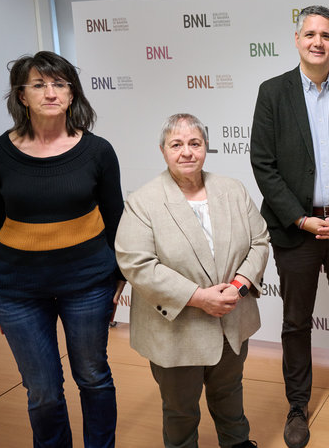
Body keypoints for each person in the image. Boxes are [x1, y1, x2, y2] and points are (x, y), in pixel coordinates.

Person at [0, 51, 124, 448]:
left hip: (88, 285)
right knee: (42, 391)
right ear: (21, 96)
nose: (50, 92)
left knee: (93, 378)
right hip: (17, 291)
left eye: (59, 83)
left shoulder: (98, 151)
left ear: (72, 94)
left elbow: (115, 219)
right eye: (39, 84)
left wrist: (120, 276)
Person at [250, 5, 329, 448]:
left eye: (326, 35)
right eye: (310, 34)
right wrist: (301, 219)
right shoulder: (272, 93)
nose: (317, 42)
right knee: (295, 322)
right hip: (296, 231)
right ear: (297, 39)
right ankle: (297, 406)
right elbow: (263, 165)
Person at [115, 113, 268, 448]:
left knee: (230, 396)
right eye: (177, 144)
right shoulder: (143, 201)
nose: (187, 152)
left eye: (194, 143)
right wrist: (200, 297)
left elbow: (259, 240)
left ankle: (238, 443)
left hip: (232, 318)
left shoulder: (232, 190)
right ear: (163, 151)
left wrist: (239, 287)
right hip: (175, 330)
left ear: (206, 148)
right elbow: (136, 262)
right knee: (180, 411)